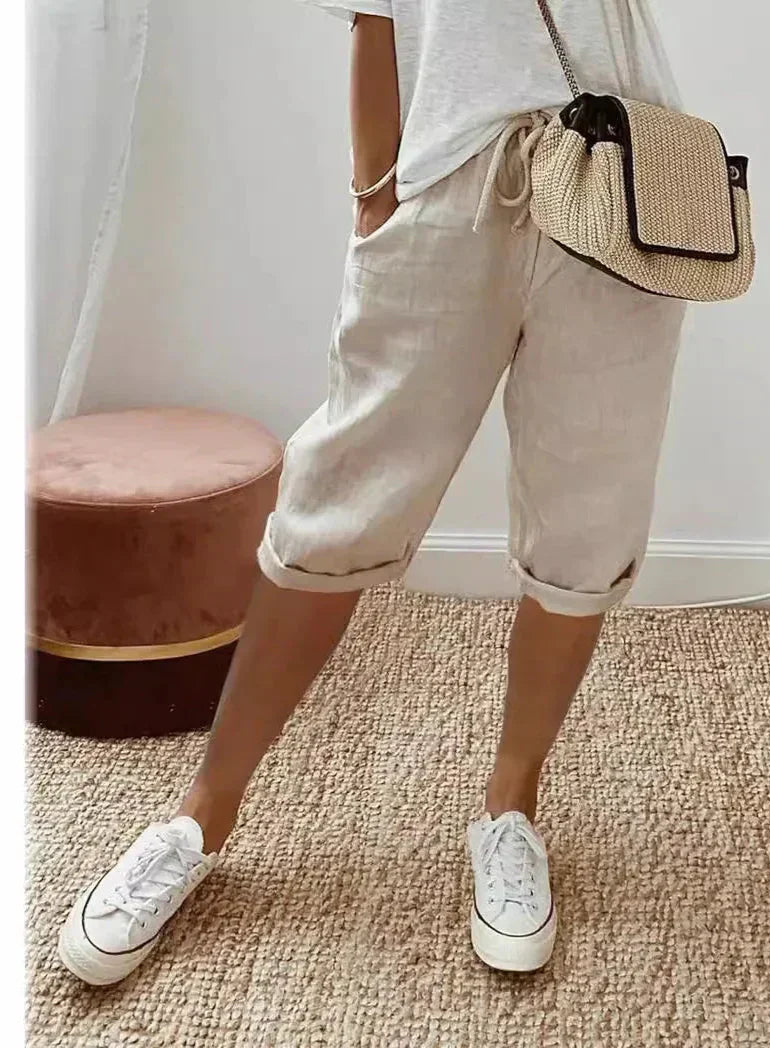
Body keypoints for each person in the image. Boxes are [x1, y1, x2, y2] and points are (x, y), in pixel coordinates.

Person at [58, 0, 686, 984]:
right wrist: (374, 192)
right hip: (447, 177)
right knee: (335, 508)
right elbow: (373, 12)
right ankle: (200, 815)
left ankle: (509, 809)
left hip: (619, 171)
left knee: (587, 520)